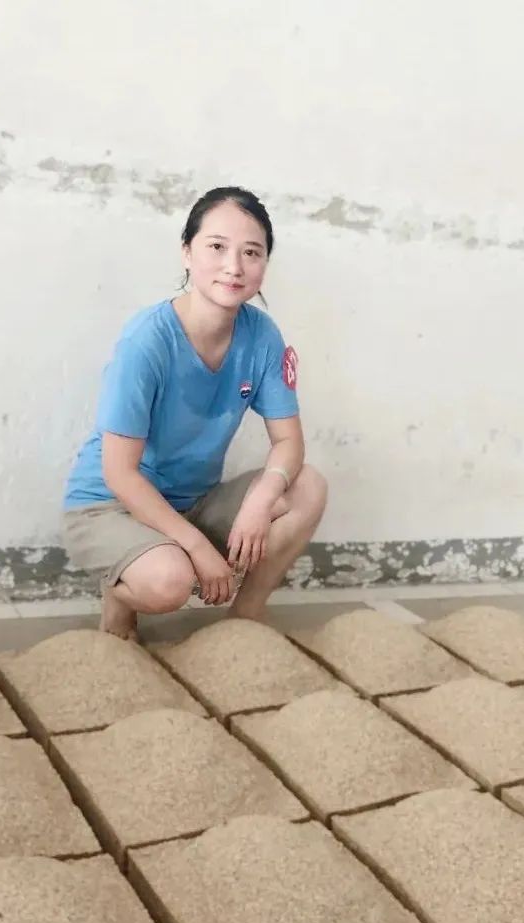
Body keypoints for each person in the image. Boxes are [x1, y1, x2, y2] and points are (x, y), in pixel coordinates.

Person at [62, 186, 327, 639]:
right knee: (170, 583)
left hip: (194, 502)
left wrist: (262, 499)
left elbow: (289, 442)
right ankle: (119, 596)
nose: (234, 266)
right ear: (187, 252)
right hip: (111, 506)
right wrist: (198, 550)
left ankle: (244, 621)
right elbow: (119, 474)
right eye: (217, 247)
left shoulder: (262, 335)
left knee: (307, 487)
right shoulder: (146, 341)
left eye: (251, 252)